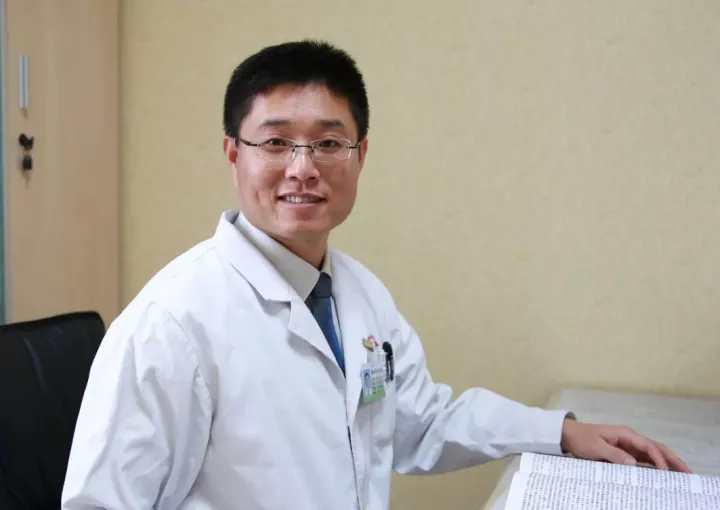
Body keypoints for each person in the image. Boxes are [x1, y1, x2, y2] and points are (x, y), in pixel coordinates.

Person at [61, 40, 689, 510]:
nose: (302, 168)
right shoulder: (171, 324)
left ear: (360, 155)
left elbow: (421, 423)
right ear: (234, 154)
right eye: (276, 143)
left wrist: (561, 431)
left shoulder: (358, 292)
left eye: (328, 143)